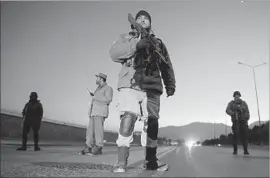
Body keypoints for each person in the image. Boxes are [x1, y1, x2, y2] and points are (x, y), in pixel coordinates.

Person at [109, 10, 176, 173]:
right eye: (140, 18)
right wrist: (136, 45)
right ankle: (121, 162)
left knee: (151, 123)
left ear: (151, 23)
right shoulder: (125, 38)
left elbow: (166, 65)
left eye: (146, 18)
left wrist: (170, 84)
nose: (143, 19)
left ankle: (151, 161)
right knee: (128, 118)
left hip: (152, 86)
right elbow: (114, 54)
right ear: (134, 22)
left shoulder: (158, 42)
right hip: (129, 84)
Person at [80, 73, 113, 155]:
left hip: (100, 112)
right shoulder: (97, 89)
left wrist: (95, 97)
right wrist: (90, 110)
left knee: (98, 131)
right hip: (93, 112)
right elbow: (94, 100)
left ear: (101, 79)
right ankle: (88, 146)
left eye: (97, 78)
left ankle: (98, 147)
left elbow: (108, 99)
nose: (96, 79)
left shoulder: (108, 88)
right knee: (89, 131)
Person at [226, 91, 250, 155]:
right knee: (235, 135)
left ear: (239, 96)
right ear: (234, 96)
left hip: (243, 121)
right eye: (236, 95)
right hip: (235, 120)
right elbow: (227, 110)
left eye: (238, 95)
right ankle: (235, 150)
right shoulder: (231, 103)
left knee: (244, 135)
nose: (237, 96)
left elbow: (247, 112)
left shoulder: (244, 103)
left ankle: (245, 150)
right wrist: (233, 113)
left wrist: (246, 118)